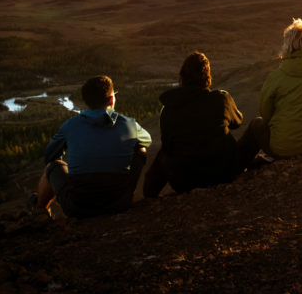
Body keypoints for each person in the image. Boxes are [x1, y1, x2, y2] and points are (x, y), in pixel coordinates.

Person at [28, 75, 151, 218]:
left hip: (77, 208)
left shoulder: (70, 125)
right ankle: (125, 194)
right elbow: (146, 141)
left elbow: (49, 156)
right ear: (111, 99)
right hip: (119, 204)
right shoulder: (129, 123)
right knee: (141, 149)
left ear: (86, 102)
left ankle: (39, 210)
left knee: (53, 166)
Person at [142, 52, 244, 198]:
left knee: (163, 153)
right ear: (207, 77)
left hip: (184, 181)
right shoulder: (220, 99)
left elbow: (168, 145)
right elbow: (237, 122)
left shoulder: (168, 109)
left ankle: (148, 197)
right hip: (222, 174)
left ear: (182, 77)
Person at [237, 19, 302, 168]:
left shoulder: (276, 77)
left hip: (284, 148)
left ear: (287, 45)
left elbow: (265, 114)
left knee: (256, 124)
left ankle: (236, 169)